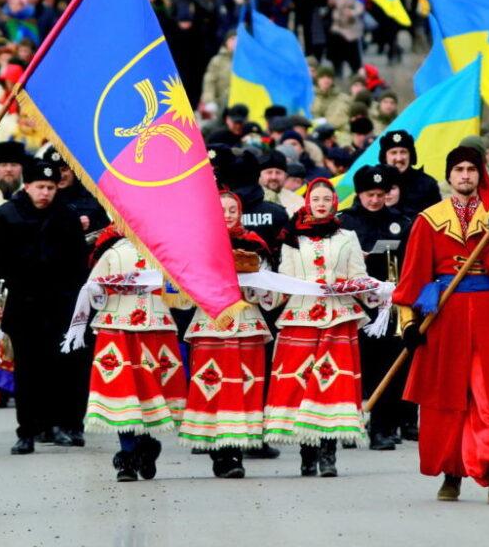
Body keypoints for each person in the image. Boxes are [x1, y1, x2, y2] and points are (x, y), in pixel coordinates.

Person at [391, 145, 489, 504]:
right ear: (449, 176)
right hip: (445, 317)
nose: (466, 175)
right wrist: (408, 324)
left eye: (472, 169)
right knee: (445, 399)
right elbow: (411, 278)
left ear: (481, 173)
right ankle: (451, 470)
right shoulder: (428, 220)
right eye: (458, 169)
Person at [262, 179, 382, 477]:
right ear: (307, 202)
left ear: (334, 203)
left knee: (332, 384)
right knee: (302, 384)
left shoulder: (347, 237)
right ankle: (307, 451)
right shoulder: (291, 238)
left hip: (338, 318)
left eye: (326, 199)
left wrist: (381, 294)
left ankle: (329, 454)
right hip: (300, 319)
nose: (320, 203)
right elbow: (285, 280)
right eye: (315, 198)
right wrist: (260, 288)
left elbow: (358, 276)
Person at [0, 159, 89, 453]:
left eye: (50, 187)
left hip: (60, 303)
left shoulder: (67, 216)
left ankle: (58, 424)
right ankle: (27, 431)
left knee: (60, 367)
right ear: (27, 186)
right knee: (28, 370)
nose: (45, 193)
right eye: (39, 187)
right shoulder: (7, 215)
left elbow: (78, 263)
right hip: (23, 304)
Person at [178, 191, 273, 478]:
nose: (228, 214)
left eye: (233, 209)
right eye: (222, 209)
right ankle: (217, 446)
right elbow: (183, 293)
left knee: (243, 385)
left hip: (247, 324)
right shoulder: (197, 244)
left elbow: (268, 294)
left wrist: (251, 281)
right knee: (213, 384)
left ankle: (234, 452)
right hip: (210, 323)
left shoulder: (255, 246)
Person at [82, 224, 186, 482]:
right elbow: (93, 289)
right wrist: (99, 289)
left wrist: (168, 287)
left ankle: (146, 445)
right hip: (118, 326)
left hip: (155, 326)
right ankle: (127, 457)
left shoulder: (166, 250)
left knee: (149, 389)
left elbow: (182, 297)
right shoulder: (111, 251)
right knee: (123, 391)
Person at [337, 165, 415, 449]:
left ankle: (382, 428)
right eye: (370, 194)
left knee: (387, 367)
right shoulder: (344, 222)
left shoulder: (401, 222)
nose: (375, 200)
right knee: (355, 367)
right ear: (360, 194)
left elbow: (410, 262)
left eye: (381, 194)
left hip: (388, 307)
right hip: (355, 305)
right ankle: (349, 425)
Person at [379, 130, 441, 217]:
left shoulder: (427, 184)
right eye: (393, 153)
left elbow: (438, 220)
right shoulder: (374, 182)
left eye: (403, 152)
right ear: (385, 157)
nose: (399, 158)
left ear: (411, 155)